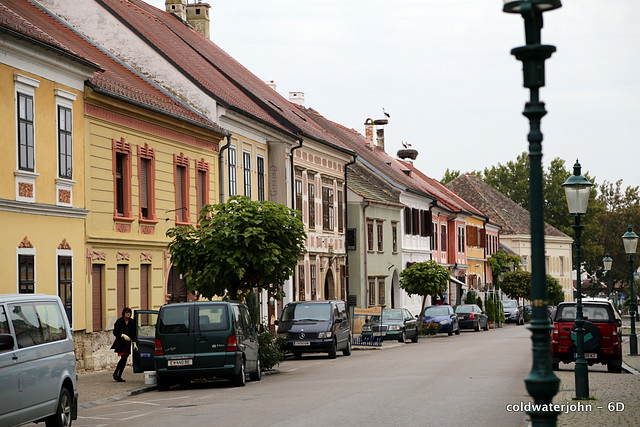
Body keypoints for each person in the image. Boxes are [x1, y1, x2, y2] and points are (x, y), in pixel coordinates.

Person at [110, 307, 137, 382]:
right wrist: (122, 335)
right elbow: (115, 332)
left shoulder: (132, 322)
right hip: (120, 343)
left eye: (129, 312)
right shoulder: (119, 321)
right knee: (124, 357)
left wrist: (134, 342)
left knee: (124, 359)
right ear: (123, 313)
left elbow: (134, 333)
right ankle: (116, 373)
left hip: (128, 343)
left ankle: (118, 375)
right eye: (127, 312)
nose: (128, 314)